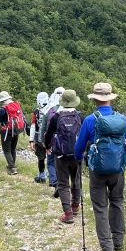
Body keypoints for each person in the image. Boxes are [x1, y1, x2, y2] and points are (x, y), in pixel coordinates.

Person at [73, 82, 126, 251]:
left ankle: (107, 247)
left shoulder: (90, 120)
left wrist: (79, 157)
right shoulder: (122, 120)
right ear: (110, 99)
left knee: (100, 207)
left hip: (98, 171)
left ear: (95, 99)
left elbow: (78, 148)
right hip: (118, 170)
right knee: (117, 202)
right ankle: (118, 241)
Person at [43, 89, 84, 224]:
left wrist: (47, 146)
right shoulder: (79, 116)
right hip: (77, 154)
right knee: (76, 179)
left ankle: (68, 214)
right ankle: (76, 206)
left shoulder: (56, 116)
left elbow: (48, 134)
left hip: (61, 154)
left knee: (63, 183)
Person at [0, 91, 25, 175]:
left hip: (6, 131)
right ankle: (12, 166)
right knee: (13, 148)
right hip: (16, 130)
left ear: (2, 100)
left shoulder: (2, 109)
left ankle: (12, 168)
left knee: (7, 150)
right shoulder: (16, 106)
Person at [42, 86, 66, 194]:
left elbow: (44, 128)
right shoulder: (68, 110)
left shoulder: (50, 110)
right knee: (63, 163)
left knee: (51, 162)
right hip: (65, 143)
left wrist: (44, 143)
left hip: (52, 141)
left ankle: (55, 183)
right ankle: (64, 184)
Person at [29, 91, 50, 183]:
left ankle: (41, 176)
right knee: (51, 157)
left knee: (41, 157)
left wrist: (31, 140)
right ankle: (51, 175)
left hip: (38, 137)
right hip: (50, 136)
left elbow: (33, 125)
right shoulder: (52, 110)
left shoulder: (36, 111)